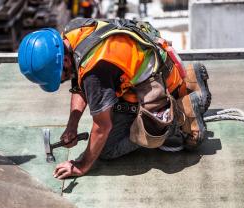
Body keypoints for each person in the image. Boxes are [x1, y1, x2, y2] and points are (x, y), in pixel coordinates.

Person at [18, 18, 211, 179]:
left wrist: (81, 166)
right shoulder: (71, 32)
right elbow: (78, 82)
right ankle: (191, 80)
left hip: (157, 84)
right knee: (106, 106)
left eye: (58, 77)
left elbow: (102, 126)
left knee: (107, 149)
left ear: (65, 60)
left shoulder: (95, 71)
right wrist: (72, 125)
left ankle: (180, 115)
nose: (60, 82)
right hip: (158, 61)